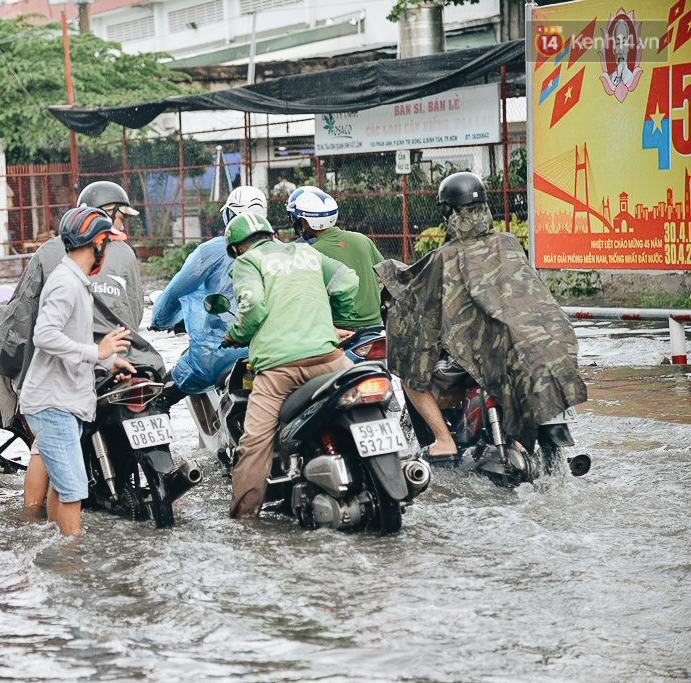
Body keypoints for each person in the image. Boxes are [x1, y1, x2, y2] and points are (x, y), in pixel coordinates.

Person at [376, 171, 587, 461]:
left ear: (448, 212)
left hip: (472, 361)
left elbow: (413, 295)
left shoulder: (444, 256)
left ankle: (444, 440)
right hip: (530, 348)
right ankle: (520, 443)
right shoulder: (509, 244)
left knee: (411, 379)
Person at [0, 181, 164, 517]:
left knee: (44, 449)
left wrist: (4, 351)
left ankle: (30, 516)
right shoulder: (123, 253)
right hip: (127, 358)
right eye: (118, 217)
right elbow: (134, 313)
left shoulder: (51, 256)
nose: (121, 227)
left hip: (82, 369)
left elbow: (24, 317)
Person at [221, 213, 359, 519]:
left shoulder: (247, 262)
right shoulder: (306, 251)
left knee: (254, 442)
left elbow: (253, 307)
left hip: (279, 370)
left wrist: (235, 334)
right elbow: (348, 282)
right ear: (272, 235)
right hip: (331, 360)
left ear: (235, 249)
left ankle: (244, 522)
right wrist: (330, 320)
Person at [20, 207, 136, 535]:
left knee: (63, 487)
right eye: (108, 244)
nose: (108, 252)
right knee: (74, 491)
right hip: (53, 403)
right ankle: (73, 559)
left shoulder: (76, 281)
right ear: (97, 243)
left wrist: (107, 361)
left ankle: (59, 551)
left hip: (65, 401)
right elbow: (44, 335)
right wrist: (96, 351)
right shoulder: (65, 283)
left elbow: (71, 340)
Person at [149, 186, 268, 403]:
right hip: (271, 353)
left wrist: (159, 319)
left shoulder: (212, 250)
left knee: (158, 399)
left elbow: (174, 293)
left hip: (221, 354)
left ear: (231, 216)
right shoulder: (281, 250)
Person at [287, 186, 385, 332]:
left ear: (306, 221)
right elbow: (382, 276)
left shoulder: (310, 253)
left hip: (338, 329)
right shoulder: (362, 240)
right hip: (376, 325)